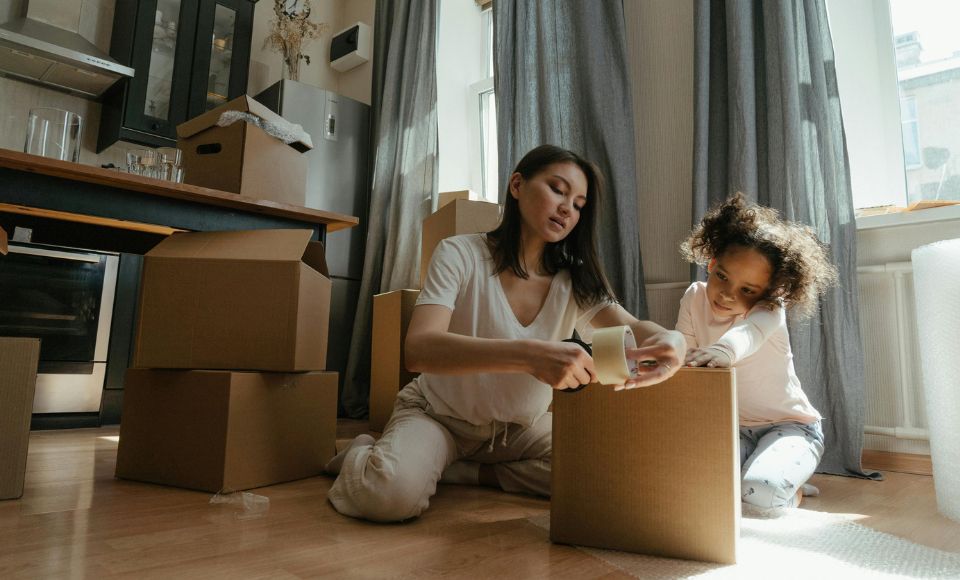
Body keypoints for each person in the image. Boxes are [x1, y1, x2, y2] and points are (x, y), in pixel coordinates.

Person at [324, 144, 686, 522]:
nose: (568, 208)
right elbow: (419, 349)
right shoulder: (459, 253)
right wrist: (531, 356)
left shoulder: (575, 278)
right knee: (388, 498)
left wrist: (673, 339)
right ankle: (361, 453)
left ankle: (466, 473)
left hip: (519, 431)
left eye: (579, 204)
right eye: (558, 190)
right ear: (517, 185)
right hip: (440, 417)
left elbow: (633, 327)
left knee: (613, 473)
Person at [677, 192, 838, 511]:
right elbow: (684, 353)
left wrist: (722, 351)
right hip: (731, 425)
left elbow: (748, 335)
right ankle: (766, 471)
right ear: (711, 263)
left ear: (767, 292)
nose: (726, 294)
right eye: (722, 276)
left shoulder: (769, 310)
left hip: (790, 426)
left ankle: (790, 487)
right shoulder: (694, 298)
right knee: (695, 483)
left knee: (757, 496)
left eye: (747, 290)